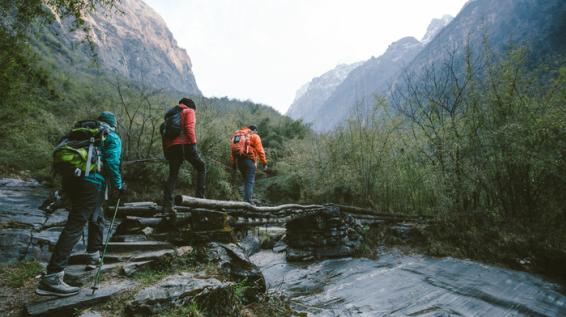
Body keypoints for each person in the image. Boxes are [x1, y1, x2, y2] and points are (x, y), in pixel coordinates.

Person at [36, 111, 125, 297]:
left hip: (72, 179)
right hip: (91, 182)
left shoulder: (83, 132)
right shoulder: (111, 136)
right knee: (75, 224)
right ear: (113, 124)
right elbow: (112, 162)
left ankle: (93, 255)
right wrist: (118, 184)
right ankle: (52, 277)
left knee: (96, 216)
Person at [162, 98, 206, 214]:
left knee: (173, 175)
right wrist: (193, 144)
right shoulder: (189, 111)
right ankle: (200, 199)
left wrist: (167, 151)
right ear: (191, 106)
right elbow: (189, 128)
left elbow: (164, 135)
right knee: (201, 167)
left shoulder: (170, 114)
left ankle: (167, 205)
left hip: (171, 147)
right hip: (186, 144)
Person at [230, 125, 267, 203]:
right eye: (257, 132)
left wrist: (233, 164)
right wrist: (264, 163)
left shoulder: (238, 135)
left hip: (239, 161)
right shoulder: (254, 136)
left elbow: (233, 151)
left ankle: (246, 199)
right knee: (249, 182)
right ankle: (247, 202)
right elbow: (260, 150)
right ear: (254, 130)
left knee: (246, 181)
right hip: (249, 161)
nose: (257, 133)